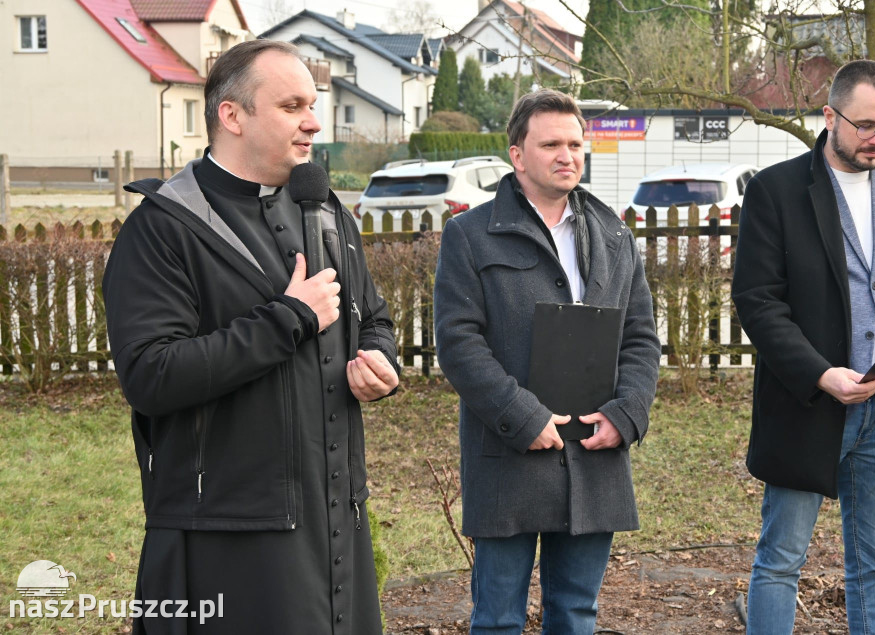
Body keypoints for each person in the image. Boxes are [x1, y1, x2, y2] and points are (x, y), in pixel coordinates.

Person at [103, 40, 400, 634]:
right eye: (292, 106)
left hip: (337, 514)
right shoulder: (163, 229)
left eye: (312, 105)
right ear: (232, 115)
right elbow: (151, 377)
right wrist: (288, 318)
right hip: (230, 535)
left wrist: (378, 361)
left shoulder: (325, 212)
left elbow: (374, 317)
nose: (314, 122)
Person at [731, 59, 875, 634]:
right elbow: (758, 302)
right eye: (866, 125)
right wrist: (820, 374)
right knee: (781, 561)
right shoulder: (777, 190)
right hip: (808, 408)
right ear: (829, 115)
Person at [433, 89, 661, 634]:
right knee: (498, 618)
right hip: (510, 455)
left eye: (576, 143)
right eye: (551, 144)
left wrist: (626, 414)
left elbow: (640, 337)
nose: (568, 155)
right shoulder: (469, 236)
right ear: (517, 154)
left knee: (577, 613)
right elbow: (459, 343)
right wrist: (523, 416)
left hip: (594, 452)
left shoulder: (613, 234)